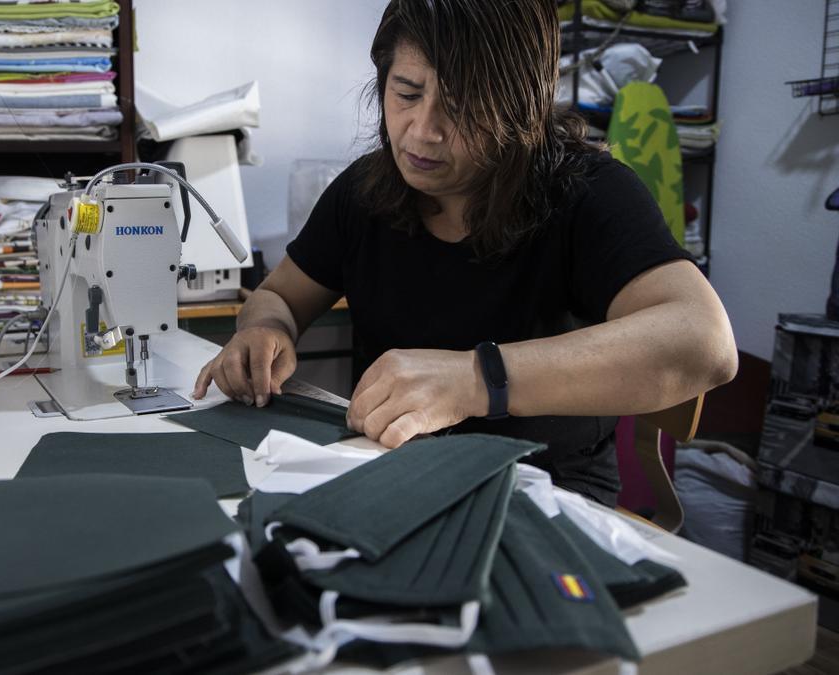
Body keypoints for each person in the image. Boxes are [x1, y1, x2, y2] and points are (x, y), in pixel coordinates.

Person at [191, 0, 737, 505]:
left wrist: (479, 380)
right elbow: (279, 297)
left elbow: (705, 343)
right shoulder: (365, 191)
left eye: (462, 105)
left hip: (541, 491)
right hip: (392, 471)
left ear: (519, 105)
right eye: (406, 93)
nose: (423, 132)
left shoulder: (588, 193)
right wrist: (263, 331)